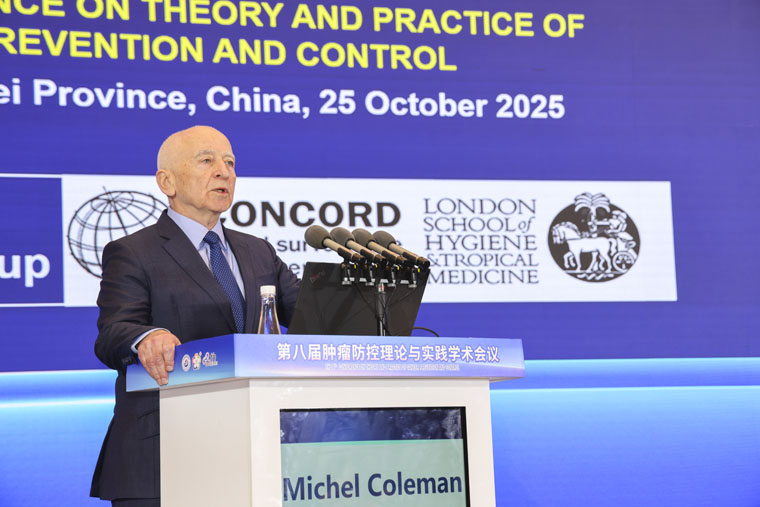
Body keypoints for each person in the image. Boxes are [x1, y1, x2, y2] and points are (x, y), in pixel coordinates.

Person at [90, 126, 300, 506]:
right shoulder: (132, 251)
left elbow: (310, 313)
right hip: (164, 454)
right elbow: (113, 333)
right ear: (166, 182)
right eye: (207, 160)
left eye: (230, 163)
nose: (224, 171)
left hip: (252, 452)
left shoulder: (258, 251)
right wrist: (146, 337)